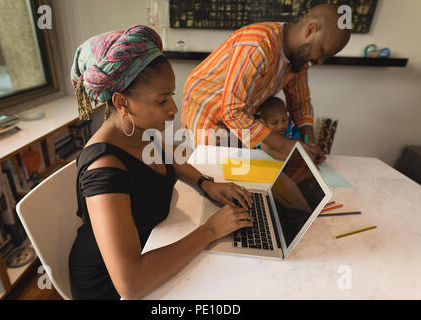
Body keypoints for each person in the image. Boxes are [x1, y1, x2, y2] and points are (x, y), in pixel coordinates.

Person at [68, 25, 254, 300]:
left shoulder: (138, 132)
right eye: (162, 100)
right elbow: (131, 284)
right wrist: (211, 230)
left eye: (172, 96)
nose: (174, 109)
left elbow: (170, 160)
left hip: (152, 246)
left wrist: (206, 183)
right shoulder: (104, 169)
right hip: (109, 286)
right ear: (122, 102)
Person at [181, 4, 351, 164]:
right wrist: (285, 145)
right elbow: (232, 111)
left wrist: (310, 144)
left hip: (239, 117)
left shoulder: (299, 59)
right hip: (206, 111)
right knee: (211, 172)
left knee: (240, 174)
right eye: (323, 52)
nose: (320, 61)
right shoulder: (257, 45)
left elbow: (300, 104)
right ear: (311, 30)